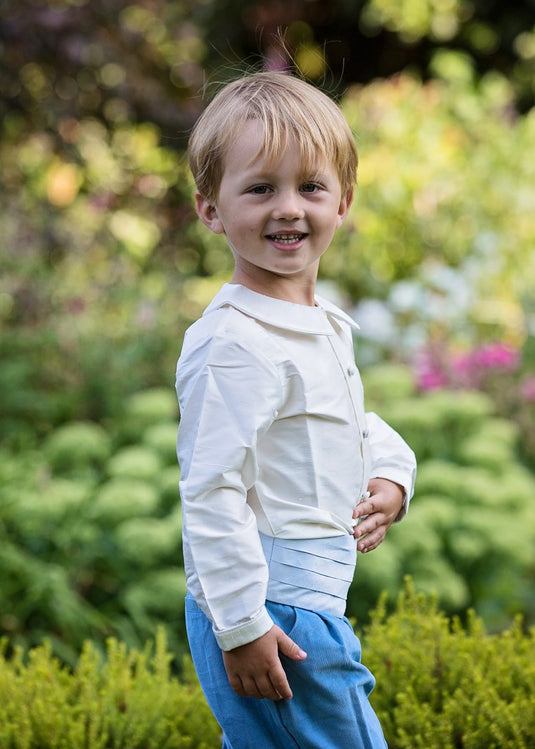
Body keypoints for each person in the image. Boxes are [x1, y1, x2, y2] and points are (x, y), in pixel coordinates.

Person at [175, 71, 417, 749]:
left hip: (298, 603)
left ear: (342, 201)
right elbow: (211, 490)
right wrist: (243, 623)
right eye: (259, 188)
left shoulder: (312, 323)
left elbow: (347, 422)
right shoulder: (235, 342)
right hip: (271, 605)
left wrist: (393, 475)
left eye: (309, 186)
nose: (288, 208)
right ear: (210, 209)